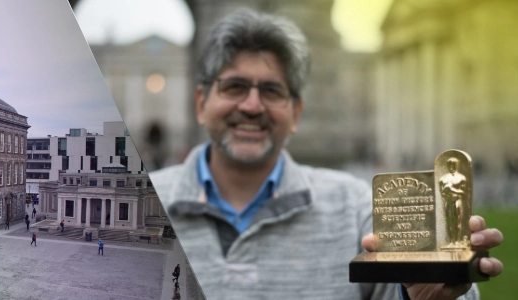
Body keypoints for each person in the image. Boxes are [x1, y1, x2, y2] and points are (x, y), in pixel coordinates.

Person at [149, 9, 504, 299]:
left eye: (272, 90)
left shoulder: (356, 207)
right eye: (235, 86)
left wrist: (427, 293)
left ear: (296, 113)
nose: (252, 105)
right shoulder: (144, 193)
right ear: (201, 103)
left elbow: (432, 289)